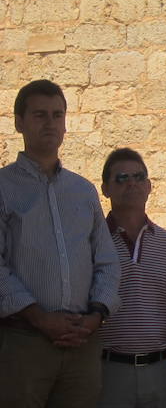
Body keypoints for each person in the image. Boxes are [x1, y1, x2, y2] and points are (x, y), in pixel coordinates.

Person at [0, 79, 120, 408]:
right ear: (19, 122)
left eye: (57, 115)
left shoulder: (83, 191)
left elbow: (107, 261)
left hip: (82, 343)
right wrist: (39, 317)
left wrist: (96, 315)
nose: (50, 123)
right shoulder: (4, 188)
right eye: (39, 115)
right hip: (23, 341)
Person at [97, 147, 166, 408]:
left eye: (138, 177)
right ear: (105, 189)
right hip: (108, 370)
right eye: (121, 178)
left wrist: (150, 332)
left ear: (149, 187)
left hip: (159, 370)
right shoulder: (91, 243)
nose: (132, 184)